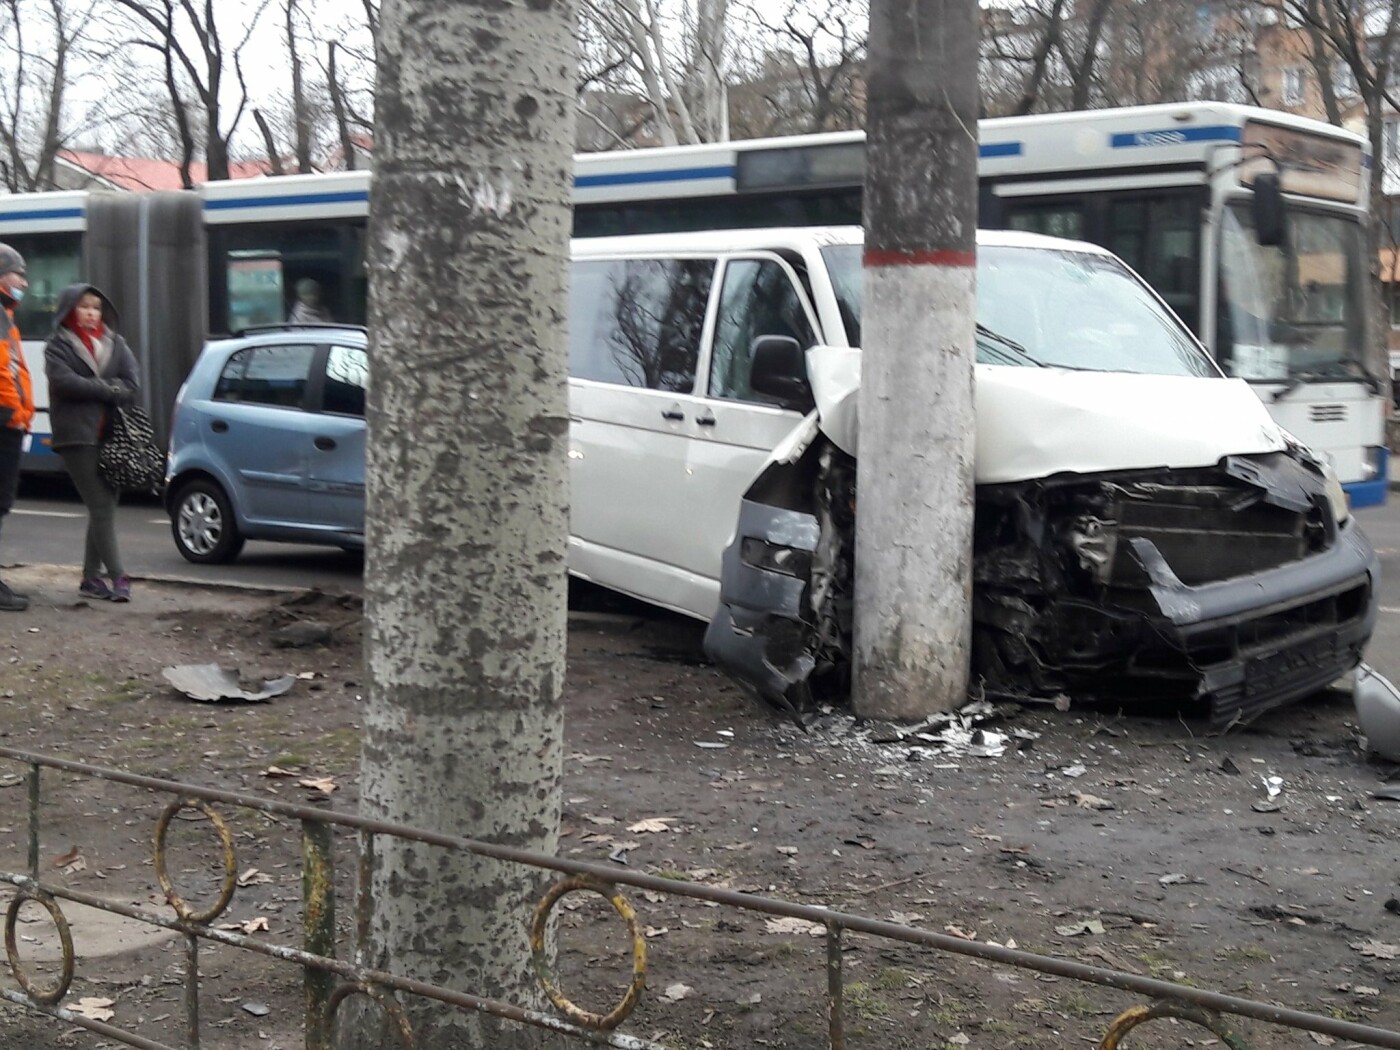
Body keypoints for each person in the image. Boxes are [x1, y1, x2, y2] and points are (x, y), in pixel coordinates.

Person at [44, 284, 139, 602]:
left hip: (112, 435)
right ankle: (118, 577)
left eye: (96, 308)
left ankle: (90, 578)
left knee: (105, 506)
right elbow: (64, 382)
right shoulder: (58, 346)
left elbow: (131, 384)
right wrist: (107, 388)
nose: (90, 313)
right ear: (71, 311)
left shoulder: (116, 343)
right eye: (84, 307)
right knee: (101, 504)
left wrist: (99, 388)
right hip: (76, 436)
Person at [0, 244, 34, 612]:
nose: (23, 281)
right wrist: (14, 413)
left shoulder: (6, 316)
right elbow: (2, 373)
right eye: (18, 274)